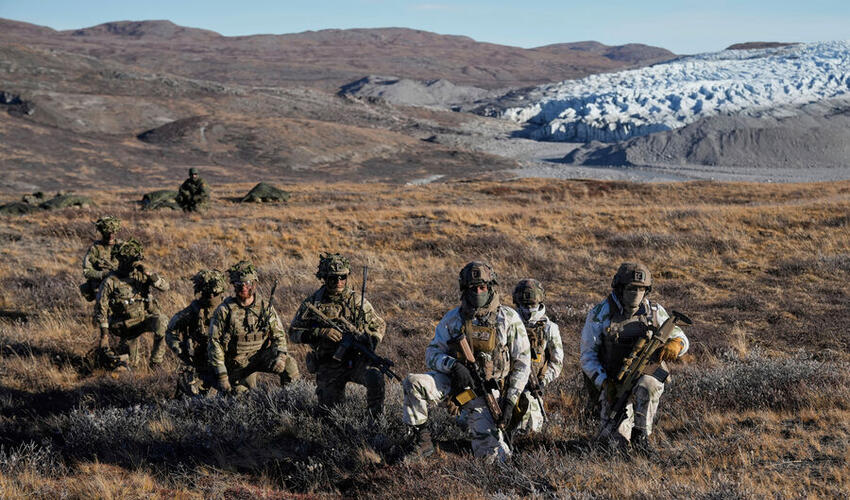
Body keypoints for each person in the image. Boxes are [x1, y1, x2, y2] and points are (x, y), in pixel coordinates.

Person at [402, 261, 530, 462]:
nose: (478, 292)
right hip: (454, 385)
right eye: (473, 288)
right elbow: (432, 353)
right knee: (414, 383)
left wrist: (511, 401)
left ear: (491, 287)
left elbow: (523, 364)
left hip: (487, 393)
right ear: (465, 290)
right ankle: (422, 440)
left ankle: (463, 440)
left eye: (483, 287)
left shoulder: (508, 318)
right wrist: (453, 366)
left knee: (494, 458)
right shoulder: (453, 318)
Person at [580, 262, 689, 454]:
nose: (636, 293)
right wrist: (605, 384)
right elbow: (587, 357)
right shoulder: (600, 313)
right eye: (631, 289)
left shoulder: (654, 311)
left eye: (641, 289)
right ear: (620, 288)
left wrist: (677, 345)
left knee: (649, 384)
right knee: (611, 444)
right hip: (615, 381)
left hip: (645, 376)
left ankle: (642, 436)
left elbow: (681, 338)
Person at [289, 253, 386, 416]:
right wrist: (320, 332)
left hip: (356, 359)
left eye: (343, 277)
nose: (339, 282)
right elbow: (293, 333)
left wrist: (372, 340)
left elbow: (379, 324)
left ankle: (375, 422)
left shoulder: (356, 301)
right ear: (324, 278)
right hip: (329, 364)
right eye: (333, 278)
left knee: (375, 376)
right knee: (330, 414)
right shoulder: (313, 303)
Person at [208, 260, 299, 394]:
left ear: (254, 284)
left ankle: (292, 398)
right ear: (234, 286)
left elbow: (278, 335)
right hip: (236, 363)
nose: (244, 287)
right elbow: (214, 342)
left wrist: (280, 357)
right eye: (239, 284)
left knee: (289, 364)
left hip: (260, 356)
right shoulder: (224, 310)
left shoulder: (265, 307)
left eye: (248, 283)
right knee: (241, 397)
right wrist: (222, 375)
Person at [95, 238, 169, 368]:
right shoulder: (110, 281)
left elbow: (165, 287)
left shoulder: (141, 275)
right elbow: (101, 309)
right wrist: (104, 337)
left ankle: (156, 363)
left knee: (162, 321)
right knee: (132, 366)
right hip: (126, 326)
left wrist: (149, 273)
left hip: (143, 319)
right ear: (121, 261)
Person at [510, 279, 563, 434]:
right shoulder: (509, 323)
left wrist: (542, 381)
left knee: (530, 427)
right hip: (508, 385)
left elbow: (556, 362)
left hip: (532, 388)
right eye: (524, 305)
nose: (528, 309)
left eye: (532, 305)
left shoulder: (549, 328)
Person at [166, 269, 227, 397]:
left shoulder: (228, 309)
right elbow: (170, 331)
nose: (211, 297)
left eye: (214, 293)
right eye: (207, 293)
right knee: (191, 394)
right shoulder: (192, 312)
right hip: (199, 363)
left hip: (226, 363)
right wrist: (180, 350)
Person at [80, 216, 121, 301]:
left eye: (113, 232)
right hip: (101, 289)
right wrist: (103, 274)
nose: (110, 236)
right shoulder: (95, 249)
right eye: (107, 233)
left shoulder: (123, 247)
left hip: (121, 289)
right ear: (102, 232)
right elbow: (87, 272)